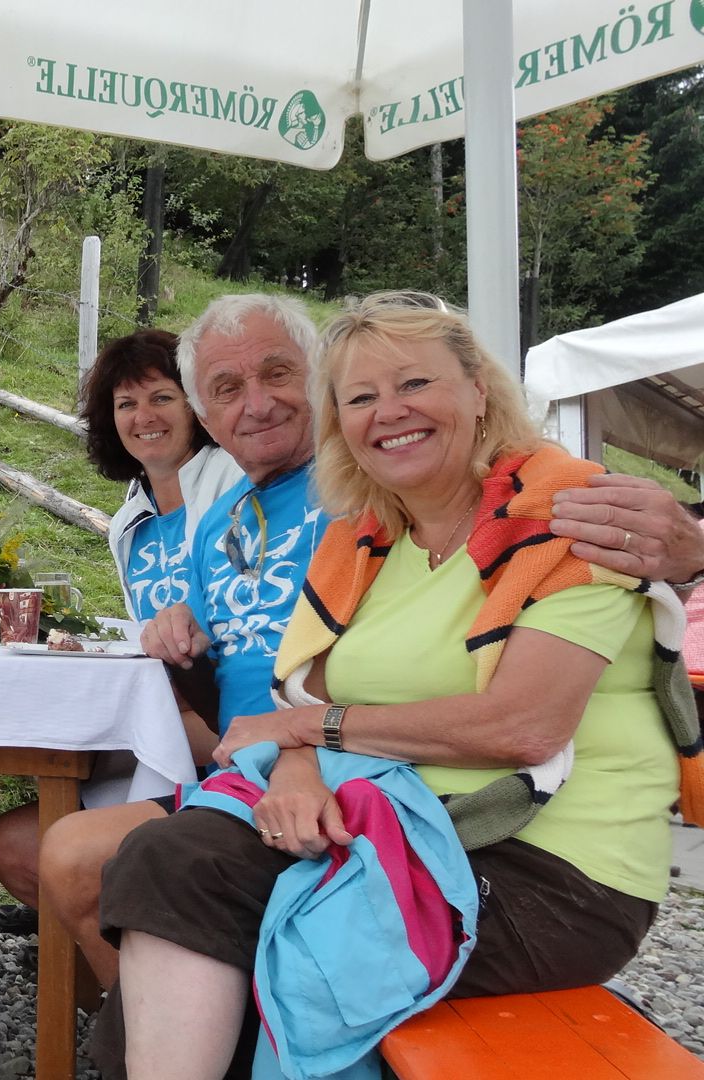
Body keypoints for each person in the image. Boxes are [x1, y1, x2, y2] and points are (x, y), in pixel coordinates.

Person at [99, 291, 697, 1080]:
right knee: (166, 865)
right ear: (338, 421)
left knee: (258, 952)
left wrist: (308, 736)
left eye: (414, 383)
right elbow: (301, 699)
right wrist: (298, 767)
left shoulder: (566, 513)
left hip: (548, 867)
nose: (389, 412)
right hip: (391, 821)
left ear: (478, 390)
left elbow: (523, 727)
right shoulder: (366, 535)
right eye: (360, 398)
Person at [0, 328, 238, 928]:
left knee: (59, 819)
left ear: (198, 405)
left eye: (161, 397)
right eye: (126, 404)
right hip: (169, 726)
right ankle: (99, 941)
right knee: (15, 844)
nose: (143, 417)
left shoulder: (235, 486)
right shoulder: (130, 523)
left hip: (234, 731)